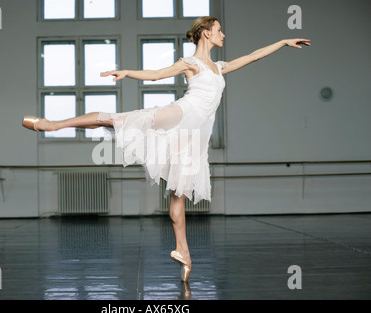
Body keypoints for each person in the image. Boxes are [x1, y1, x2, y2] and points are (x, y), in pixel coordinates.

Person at [22, 16, 310, 282]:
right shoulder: (191, 63)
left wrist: (283, 42)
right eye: (220, 30)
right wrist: (127, 72)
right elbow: (158, 74)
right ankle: (52, 125)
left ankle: (183, 251)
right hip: (181, 116)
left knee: (179, 194)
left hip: (195, 135)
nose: (224, 34)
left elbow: (251, 57)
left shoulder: (219, 67)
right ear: (207, 33)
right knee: (116, 120)